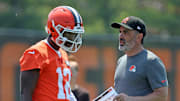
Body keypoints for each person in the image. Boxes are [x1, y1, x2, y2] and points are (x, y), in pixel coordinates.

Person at [19, 6, 84, 101]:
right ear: (54, 29)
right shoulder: (36, 53)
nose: (72, 39)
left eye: (75, 35)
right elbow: (26, 93)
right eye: (69, 34)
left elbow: (65, 92)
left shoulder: (63, 53)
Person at [111, 16, 168, 101]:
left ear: (139, 37)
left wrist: (129, 99)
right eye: (120, 32)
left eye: (126, 32)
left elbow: (162, 96)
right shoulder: (121, 61)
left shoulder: (151, 61)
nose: (121, 36)